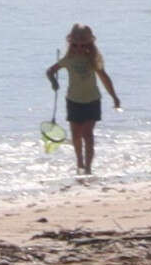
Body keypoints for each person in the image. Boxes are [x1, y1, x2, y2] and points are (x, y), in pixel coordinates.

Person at [44, 21, 120, 173]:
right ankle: (79, 163)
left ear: (89, 45)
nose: (79, 48)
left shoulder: (93, 60)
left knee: (87, 134)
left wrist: (114, 97)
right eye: (76, 45)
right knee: (76, 135)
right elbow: (50, 71)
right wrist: (54, 82)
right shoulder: (68, 59)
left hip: (92, 100)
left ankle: (89, 167)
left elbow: (104, 78)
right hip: (73, 100)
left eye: (83, 45)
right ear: (71, 44)